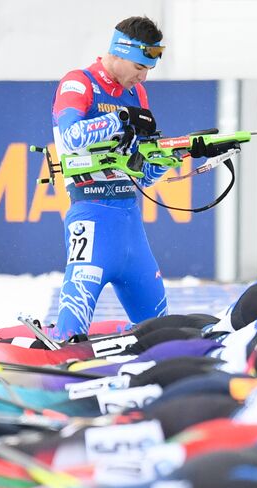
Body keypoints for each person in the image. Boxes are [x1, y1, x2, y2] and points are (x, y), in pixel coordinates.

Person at [52, 16, 170, 338]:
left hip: (132, 229)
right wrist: (119, 119)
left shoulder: (138, 93)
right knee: (70, 335)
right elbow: (72, 136)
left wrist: (170, 158)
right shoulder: (79, 83)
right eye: (139, 67)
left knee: (161, 332)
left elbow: (143, 177)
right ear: (118, 52)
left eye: (149, 69)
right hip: (92, 219)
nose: (143, 76)